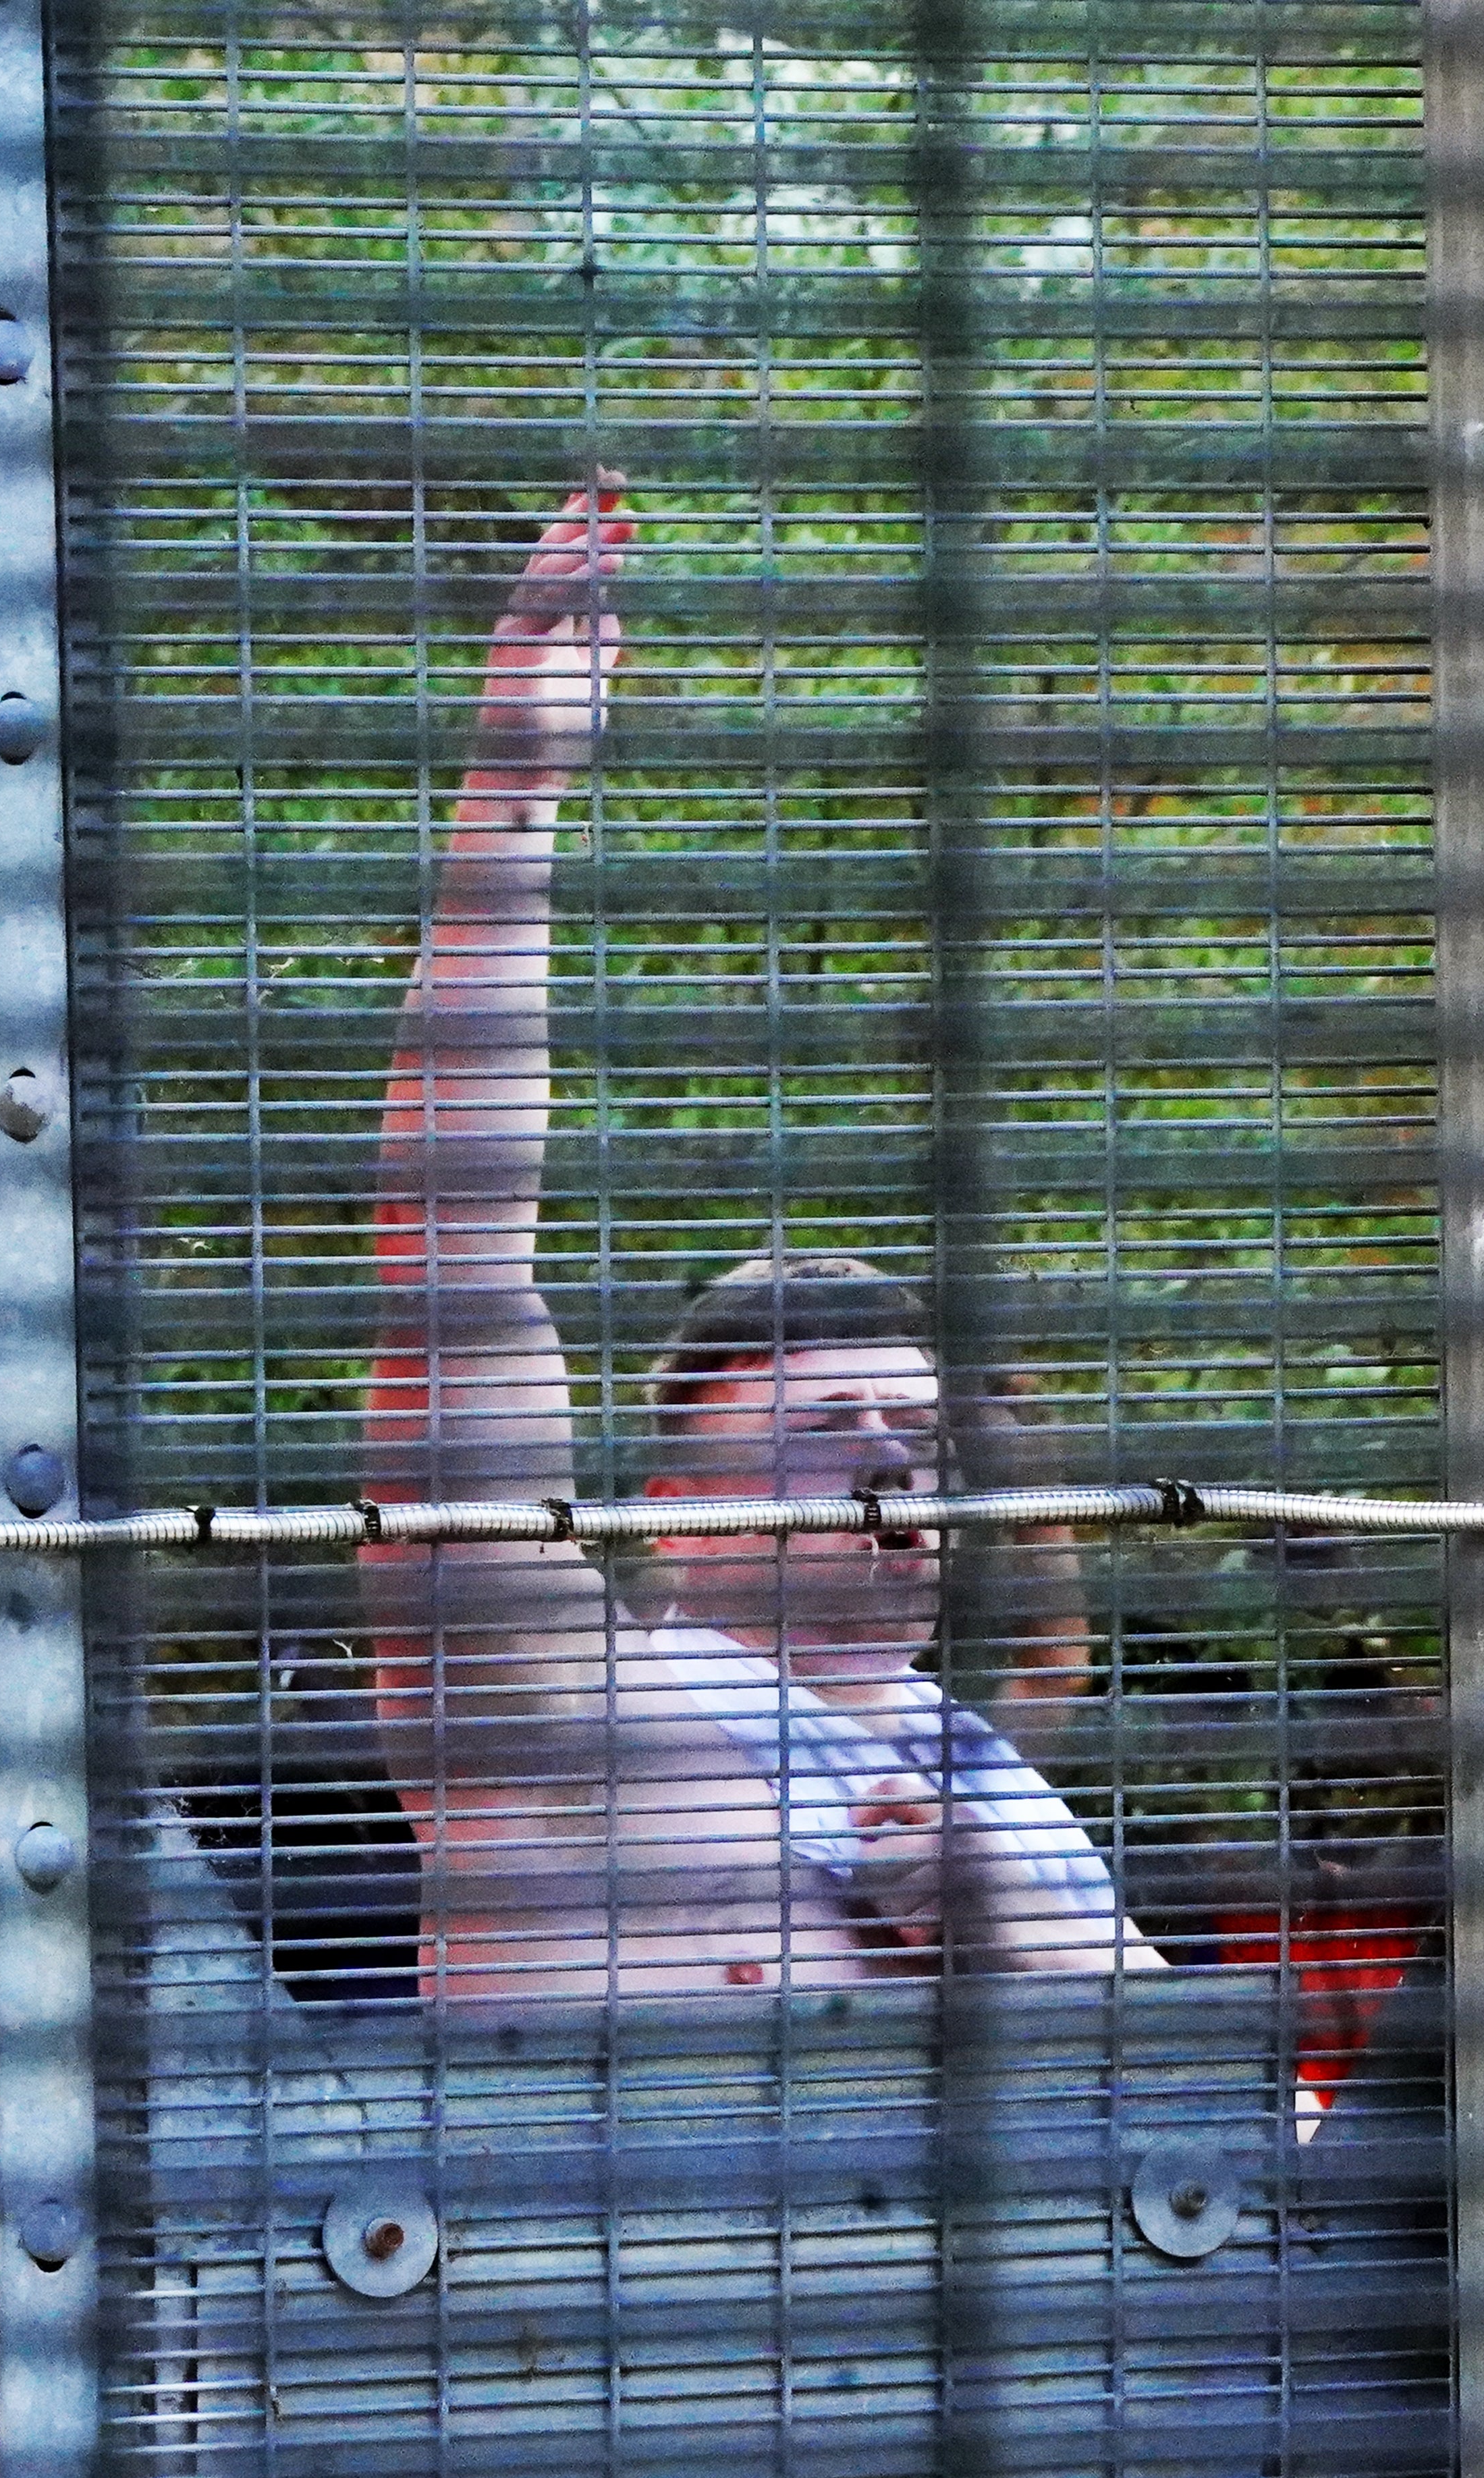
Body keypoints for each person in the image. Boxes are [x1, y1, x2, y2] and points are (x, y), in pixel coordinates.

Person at [368, 483, 1159, 1997]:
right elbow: (451, 1254)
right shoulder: (562, 1697)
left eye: (916, 1429)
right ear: (672, 1512)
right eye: (827, 1422)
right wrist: (516, 786)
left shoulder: (992, 1775)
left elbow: (1211, 2120)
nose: (892, 1462)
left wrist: (1000, 1917)